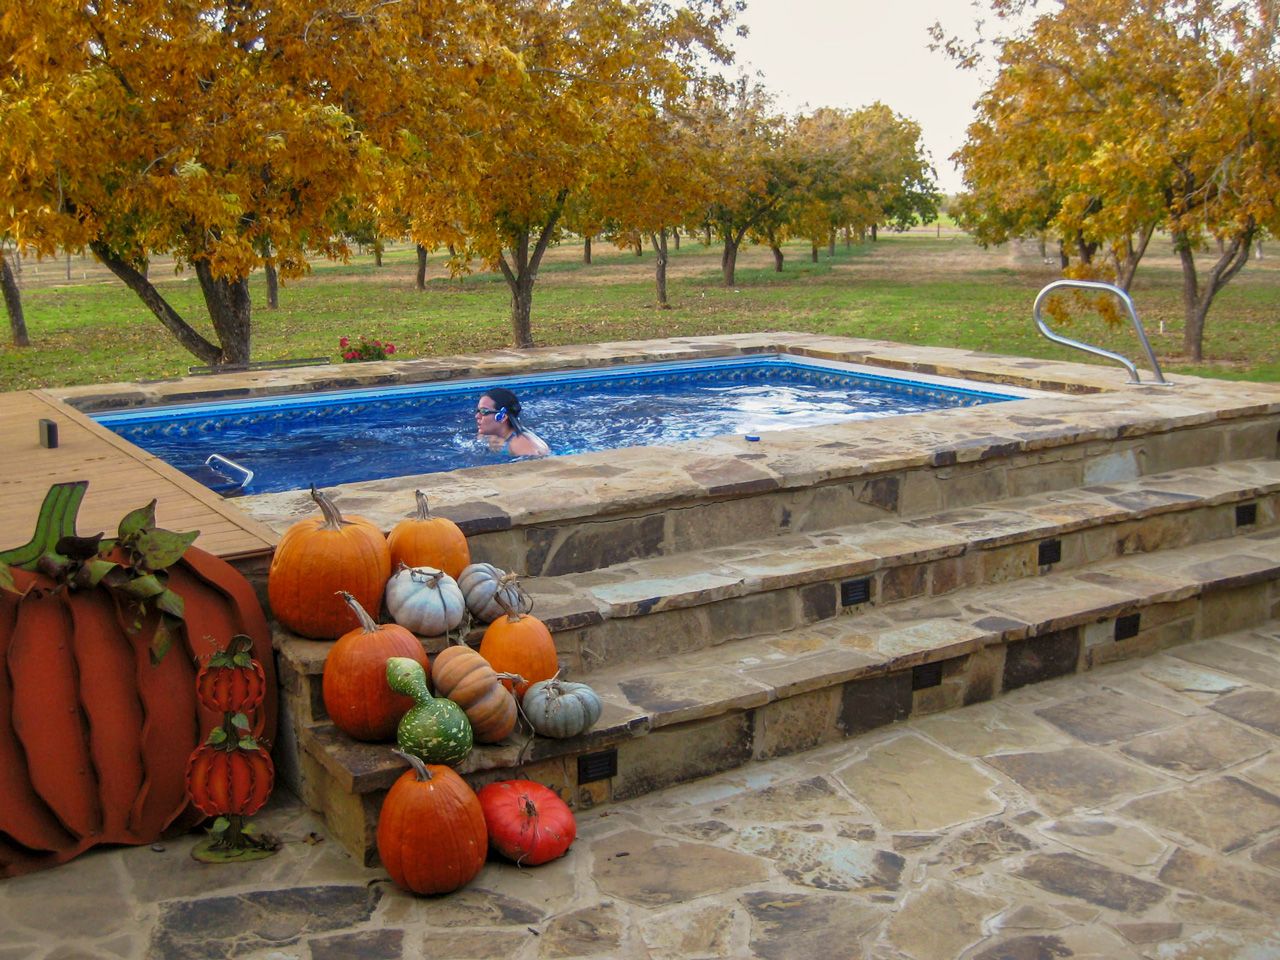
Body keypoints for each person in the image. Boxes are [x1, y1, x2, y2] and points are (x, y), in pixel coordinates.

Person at [474, 387, 550, 458]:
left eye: (483, 411)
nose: (477, 416)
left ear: (502, 417)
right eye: (478, 411)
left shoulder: (524, 446)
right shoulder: (486, 434)